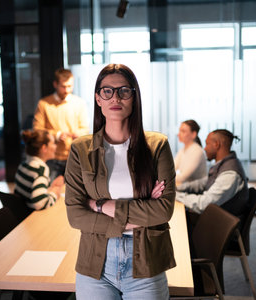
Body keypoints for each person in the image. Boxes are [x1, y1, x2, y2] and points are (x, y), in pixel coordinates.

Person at [65, 64, 176, 299]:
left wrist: (99, 205)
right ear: (98, 98)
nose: (115, 97)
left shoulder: (157, 146)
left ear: (134, 98)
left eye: (124, 91)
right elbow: (75, 215)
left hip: (146, 263)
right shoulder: (80, 150)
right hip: (95, 265)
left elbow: (164, 210)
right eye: (107, 91)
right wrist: (140, 215)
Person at [176, 129, 249, 216]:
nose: (205, 148)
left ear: (216, 144)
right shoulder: (222, 165)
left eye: (207, 144)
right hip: (211, 218)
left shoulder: (230, 174)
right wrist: (179, 188)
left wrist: (175, 196)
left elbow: (204, 204)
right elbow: (204, 183)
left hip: (217, 225)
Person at [33, 68, 89, 181]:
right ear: (55, 84)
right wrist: (57, 135)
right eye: (63, 86)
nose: (67, 90)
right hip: (52, 157)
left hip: (74, 156)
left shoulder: (79, 103)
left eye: (70, 86)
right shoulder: (44, 104)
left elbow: (85, 129)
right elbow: (37, 130)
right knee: (51, 191)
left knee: (76, 193)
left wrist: (78, 133)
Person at [14, 129, 64, 210]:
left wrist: (50, 187)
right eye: (53, 143)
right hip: (31, 216)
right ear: (44, 148)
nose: (56, 146)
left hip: (20, 212)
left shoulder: (23, 165)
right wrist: (54, 193)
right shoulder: (40, 170)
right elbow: (39, 204)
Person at [174, 120, 207, 186]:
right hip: (185, 187)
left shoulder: (197, 151)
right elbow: (171, 168)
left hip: (195, 190)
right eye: (179, 131)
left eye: (183, 131)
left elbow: (182, 177)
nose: (179, 134)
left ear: (194, 134)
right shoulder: (183, 150)